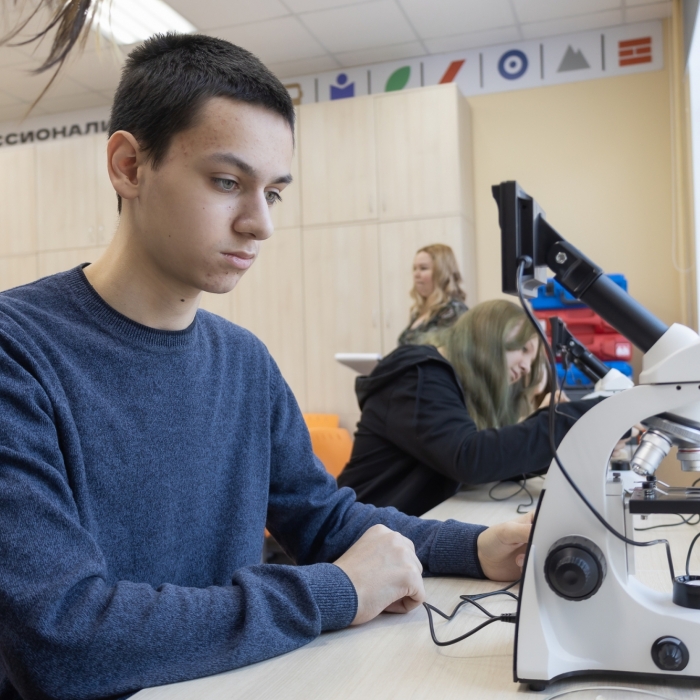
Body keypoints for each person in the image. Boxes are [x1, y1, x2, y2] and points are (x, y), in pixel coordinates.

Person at [0, 32, 533, 698]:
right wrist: (335, 592)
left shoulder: (244, 361)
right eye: (228, 182)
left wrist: (477, 548)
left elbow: (324, 520)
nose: (260, 224)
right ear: (129, 167)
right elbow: (63, 639)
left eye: (273, 193)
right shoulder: (17, 351)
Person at [339, 299, 601, 517]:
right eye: (523, 349)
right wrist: (564, 420)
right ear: (488, 333)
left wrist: (557, 439)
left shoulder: (451, 384)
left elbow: (491, 462)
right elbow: (470, 458)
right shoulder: (420, 375)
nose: (525, 368)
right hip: (356, 536)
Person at [397, 243, 468, 346]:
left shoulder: (454, 311)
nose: (416, 274)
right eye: (414, 268)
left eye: (423, 268)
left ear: (442, 273)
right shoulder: (418, 312)